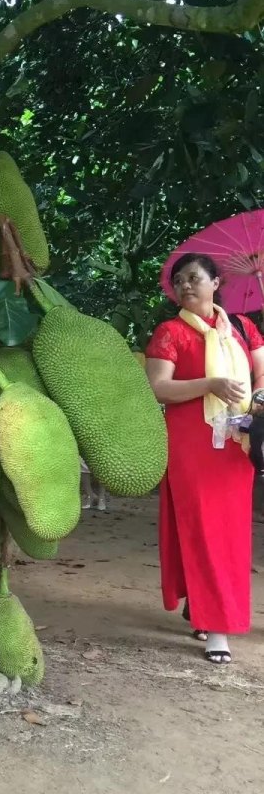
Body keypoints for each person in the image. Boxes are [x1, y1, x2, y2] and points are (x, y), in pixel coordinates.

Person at [145, 252, 264, 664]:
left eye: (194, 277)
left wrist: (259, 395)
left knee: (229, 533)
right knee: (201, 527)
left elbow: (262, 373)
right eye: (178, 281)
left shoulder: (245, 329)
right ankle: (217, 629)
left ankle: (205, 605)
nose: (185, 286)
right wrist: (210, 383)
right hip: (191, 444)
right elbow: (159, 388)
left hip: (237, 443)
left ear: (216, 282)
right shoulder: (170, 332)